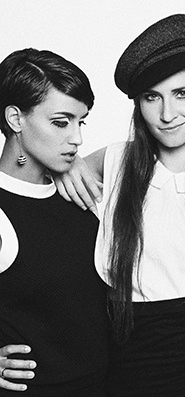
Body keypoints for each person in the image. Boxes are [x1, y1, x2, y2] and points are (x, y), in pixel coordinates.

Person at [54, 14, 185, 396]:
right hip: (121, 374)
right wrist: (64, 167)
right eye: (152, 97)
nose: (167, 114)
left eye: (182, 93)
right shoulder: (114, 162)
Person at [0, 48, 108, 396]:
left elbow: (149, 150)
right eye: (61, 122)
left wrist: (77, 164)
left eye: (81, 122)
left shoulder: (75, 187)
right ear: (15, 119)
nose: (77, 138)